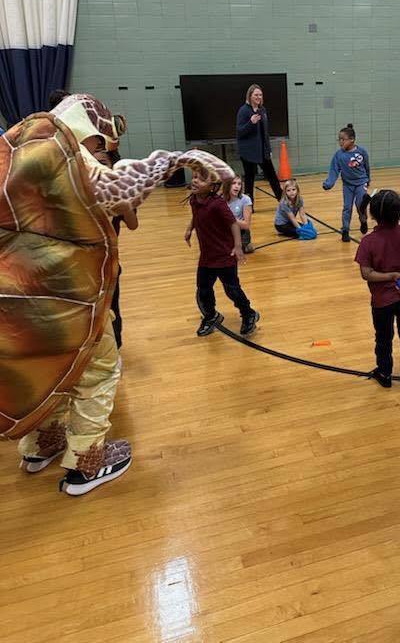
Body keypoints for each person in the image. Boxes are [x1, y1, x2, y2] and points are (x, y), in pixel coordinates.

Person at [3, 93, 233, 495]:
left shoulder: (17, 151)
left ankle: (42, 441)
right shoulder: (66, 157)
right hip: (62, 295)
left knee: (51, 366)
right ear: (88, 130)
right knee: (97, 368)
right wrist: (177, 159)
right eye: (97, 144)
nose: (97, 153)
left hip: (17, 296)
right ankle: (86, 463)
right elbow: (114, 189)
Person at [355, 190, 400, 390]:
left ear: (373, 215)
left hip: (382, 302)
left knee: (383, 337)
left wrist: (390, 276)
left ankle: (384, 372)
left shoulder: (368, 241)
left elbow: (366, 273)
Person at [184, 170, 259, 338]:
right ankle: (211, 316)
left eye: (201, 179)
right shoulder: (194, 200)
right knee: (203, 289)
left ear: (213, 186)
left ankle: (248, 313)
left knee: (232, 290)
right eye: (194, 177)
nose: (195, 181)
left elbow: (233, 224)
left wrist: (238, 246)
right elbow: (196, 216)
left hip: (225, 254)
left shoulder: (217, 204)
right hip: (206, 256)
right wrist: (190, 229)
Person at [95, 143, 139, 348]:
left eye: (102, 162)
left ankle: (116, 346)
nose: (97, 167)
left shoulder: (117, 193)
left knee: (112, 308)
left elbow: (132, 224)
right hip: (81, 266)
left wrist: (125, 205)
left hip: (109, 264)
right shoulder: (77, 193)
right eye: (92, 162)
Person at [322, 123, 370, 242]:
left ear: (352, 140)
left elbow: (367, 166)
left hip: (361, 183)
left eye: (343, 139)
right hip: (348, 185)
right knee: (347, 207)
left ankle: (363, 221)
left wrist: (368, 179)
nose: (340, 142)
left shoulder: (362, 152)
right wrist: (329, 183)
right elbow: (334, 171)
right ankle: (345, 230)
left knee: (360, 205)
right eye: (339, 140)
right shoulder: (338, 155)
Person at [236, 84, 283, 204]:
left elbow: (265, 132)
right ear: (250, 95)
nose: (258, 97)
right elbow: (240, 132)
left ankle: (283, 201)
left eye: (260, 95)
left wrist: (269, 149)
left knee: (272, 176)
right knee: (250, 179)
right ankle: (248, 205)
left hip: (262, 151)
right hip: (248, 152)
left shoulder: (262, 110)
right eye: (256, 94)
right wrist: (251, 123)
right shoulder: (244, 111)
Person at [223, 174, 254, 253]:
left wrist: (229, 218)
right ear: (227, 185)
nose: (237, 186)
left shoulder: (246, 199)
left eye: (239, 184)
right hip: (225, 231)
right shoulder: (220, 199)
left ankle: (246, 245)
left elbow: (246, 225)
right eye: (234, 183)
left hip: (241, 231)